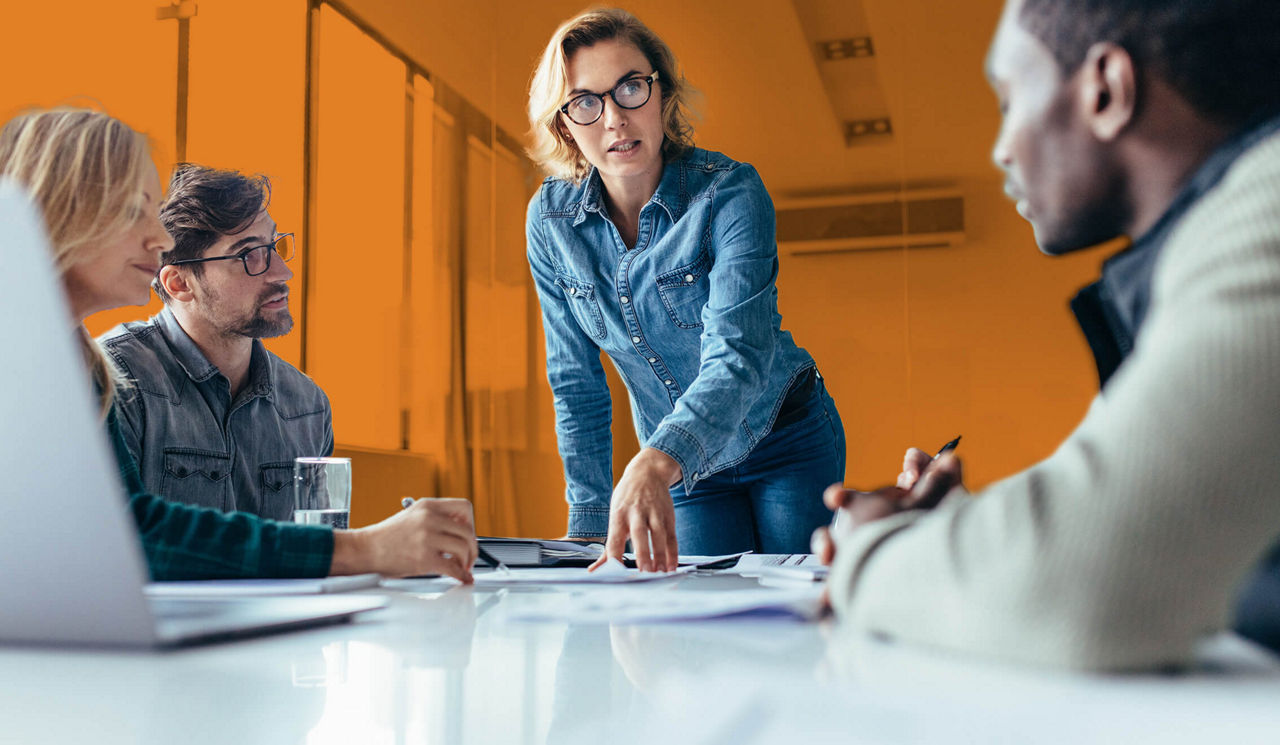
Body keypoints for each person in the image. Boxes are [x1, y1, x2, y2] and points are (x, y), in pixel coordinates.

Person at [815, 0, 1280, 670]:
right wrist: (959, 536)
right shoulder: (1200, 245)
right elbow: (1110, 515)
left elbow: (1077, 584)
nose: (1001, 148)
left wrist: (872, 547)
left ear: (1106, 90)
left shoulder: (1263, 218)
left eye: (1008, 99)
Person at [0, 107, 478, 582]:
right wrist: (364, 549)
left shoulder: (79, 363)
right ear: (60, 211)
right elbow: (123, 537)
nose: (159, 236)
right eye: (133, 211)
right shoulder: (86, 371)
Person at [525, 8, 845, 571]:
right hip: (684, 470)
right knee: (707, 632)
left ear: (663, 96)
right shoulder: (550, 224)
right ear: (564, 123)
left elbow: (738, 354)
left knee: (793, 621)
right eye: (585, 101)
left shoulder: (730, 193)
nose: (615, 119)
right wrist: (589, 522)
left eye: (630, 88)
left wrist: (655, 459)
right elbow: (575, 382)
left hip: (785, 438)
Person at [99, 164, 329, 520]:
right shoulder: (115, 382)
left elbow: (322, 550)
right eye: (248, 255)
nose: (283, 273)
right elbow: (111, 547)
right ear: (179, 284)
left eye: (274, 245)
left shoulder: (307, 405)